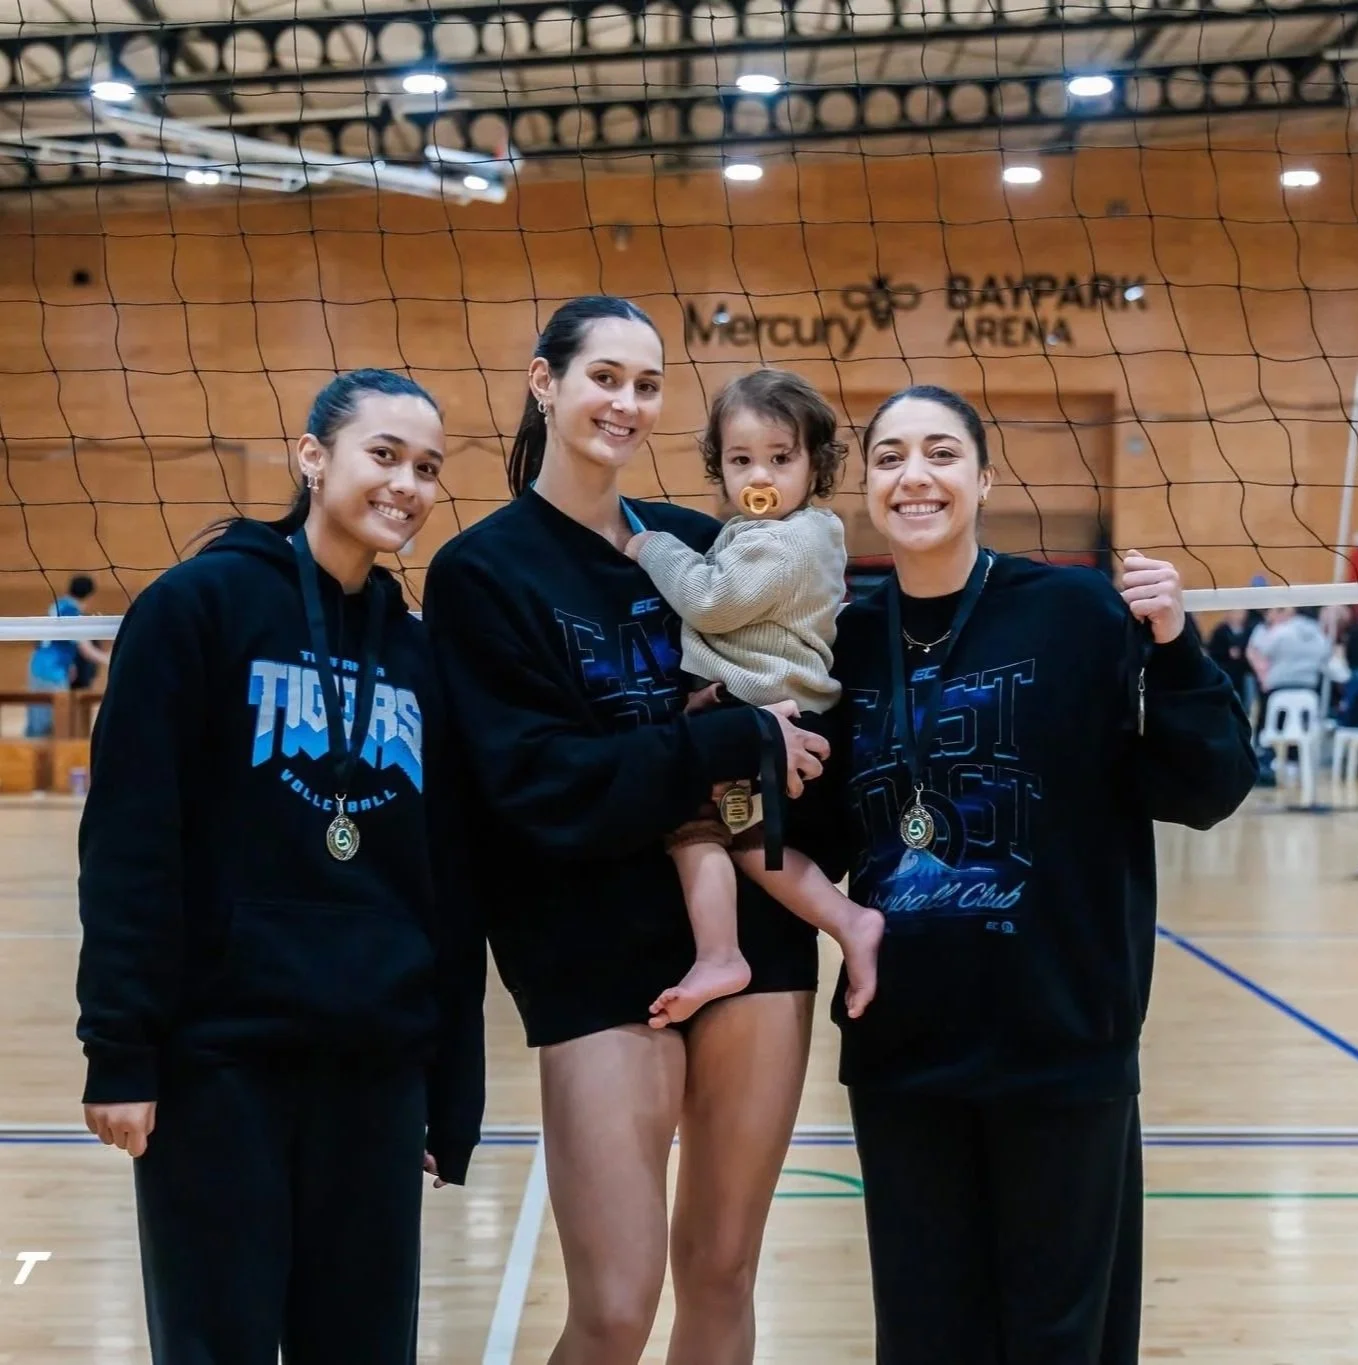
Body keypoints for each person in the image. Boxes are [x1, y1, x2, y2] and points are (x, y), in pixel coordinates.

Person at [791, 384, 1258, 1365]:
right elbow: (806, 836)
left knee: (1059, 1339)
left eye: (941, 453)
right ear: (867, 487)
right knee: (926, 1338)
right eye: (889, 458)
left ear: (984, 478)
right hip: (905, 1054)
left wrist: (1176, 651)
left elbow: (1206, 785)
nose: (914, 475)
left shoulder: (1075, 612)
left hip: (1061, 1044)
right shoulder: (841, 646)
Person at [423, 297, 831, 1365]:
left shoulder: (704, 542)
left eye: (648, 385)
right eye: (605, 376)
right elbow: (540, 787)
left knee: (725, 1278)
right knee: (612, 1308)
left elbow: (802, 697)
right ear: (545, 382)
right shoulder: (484, 571)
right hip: (587, 940)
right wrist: (724, 741)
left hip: (753, 927)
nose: (628, 402)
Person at [75, 369, 486, 1365]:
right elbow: (131, 841)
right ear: (313, 457)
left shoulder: (416, 654)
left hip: (376, 1072)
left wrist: (450, 1089)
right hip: (221, 1065)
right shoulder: (197, 608)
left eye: (427, 468)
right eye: (382, 455)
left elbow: (446, 879)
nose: (407, 485)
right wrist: (121, 1050)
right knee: (216, 1345)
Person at [623, 368, 884, 1026]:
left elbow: (711, 600)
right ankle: (748, 944)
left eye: (779, 458)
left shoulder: (788, 539)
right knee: (714, 830)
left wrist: (653, 547)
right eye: (740, 460)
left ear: (816, 465)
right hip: (751, 709)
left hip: (769, 718)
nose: (759, 478)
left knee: (719, 833)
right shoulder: (767, 533)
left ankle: (806, 931)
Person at [25, 574, 109, 737]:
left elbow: (50, 641)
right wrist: (111, 659)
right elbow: (87, 650)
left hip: (37, 667)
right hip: (51, 672)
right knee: (52, 726)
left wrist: (69, 663)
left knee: (38, 724)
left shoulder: (57, 605)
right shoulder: (72, 612)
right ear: (89, 595)